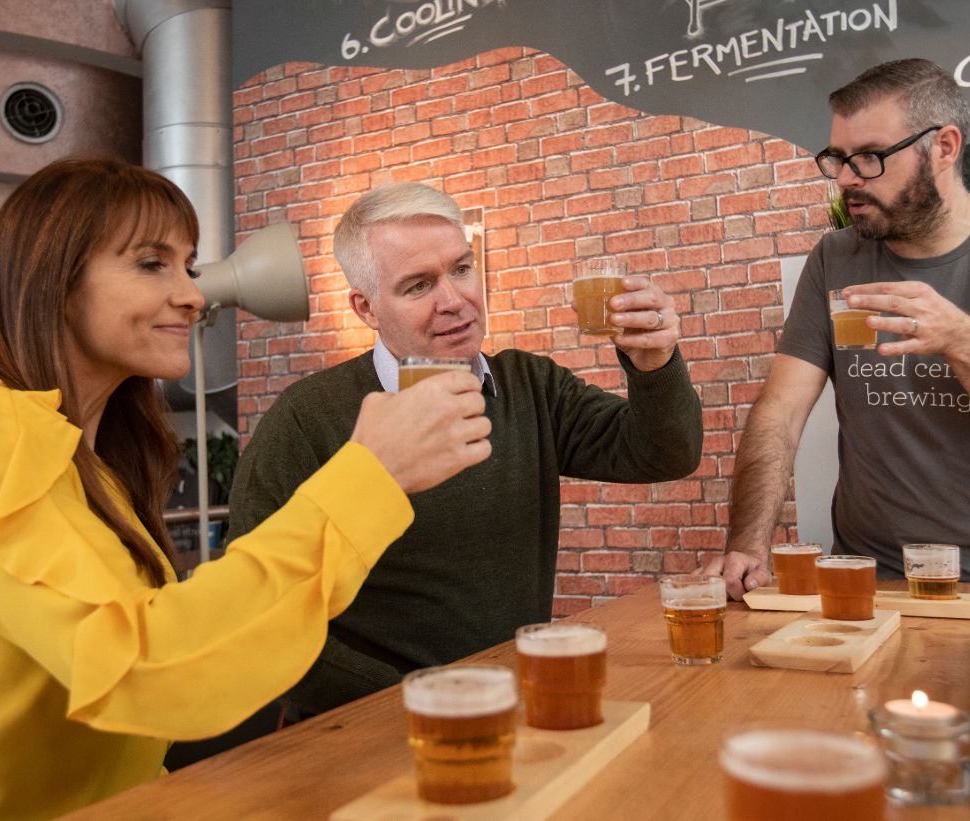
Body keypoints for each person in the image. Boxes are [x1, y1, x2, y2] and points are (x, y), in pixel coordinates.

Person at [0, 159, 491, 819]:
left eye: (188, 266)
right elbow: (142, 672)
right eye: (151, 264)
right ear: (55, 281)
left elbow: (156, 685)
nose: (193, 296)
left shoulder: (94, 466)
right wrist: (369, 475)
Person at [227, 182, 703, 718]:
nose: (454, 300)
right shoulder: (307, 418)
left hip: (512, 707)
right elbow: (255, 611)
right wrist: (399, 700)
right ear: (366, 308)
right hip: (371, 728)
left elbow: (664, 453)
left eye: (461, 269)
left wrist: (655, 363)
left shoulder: (530, 386)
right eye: (418, 286)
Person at [706, 58, 970, 598]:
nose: (846, 178)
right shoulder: (835, 258)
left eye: (870, 157)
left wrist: (964, 340)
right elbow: (780, 413)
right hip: (870, 581)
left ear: (943, 147)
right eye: (838, 158)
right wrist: (747, 544)